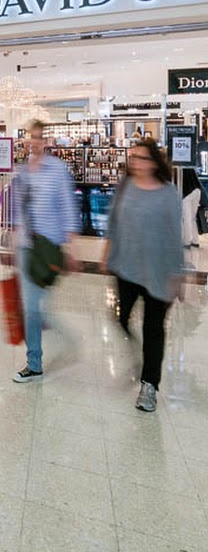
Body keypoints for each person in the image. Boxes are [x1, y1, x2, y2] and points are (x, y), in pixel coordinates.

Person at [104, 139, 183, 411]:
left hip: (158, 270)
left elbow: (175, 235)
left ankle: (149, 385)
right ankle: (139, 354)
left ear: (155, 162)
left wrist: (177, 274)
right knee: (120, 316)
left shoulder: (167, 192)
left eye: (142, 158)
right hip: (126, 266)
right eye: (133, 157)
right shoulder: (125, 185)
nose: (135, 162)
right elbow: (113, 220)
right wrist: (107, 251)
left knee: (153, 328)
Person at [12, 120, 80, 383]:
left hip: (49, 246)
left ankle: (46, 352)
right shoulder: (23, 171)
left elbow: (67, 206)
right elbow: (20, 207)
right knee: (32, 307)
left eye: (40, 138)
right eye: (32, 138)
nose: (35, 142)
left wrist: (70, 246)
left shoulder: (57, 169)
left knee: (35, 308)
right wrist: (15, 234)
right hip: (27, 247)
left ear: (47, 141)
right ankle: (35, 362)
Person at [181, 167, 202, 248]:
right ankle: (195, 241)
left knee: (186, 219)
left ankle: (187, 242)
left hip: (187, 193)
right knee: (192, 218)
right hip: (197, 191)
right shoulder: (189, 164)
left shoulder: (179, 166)